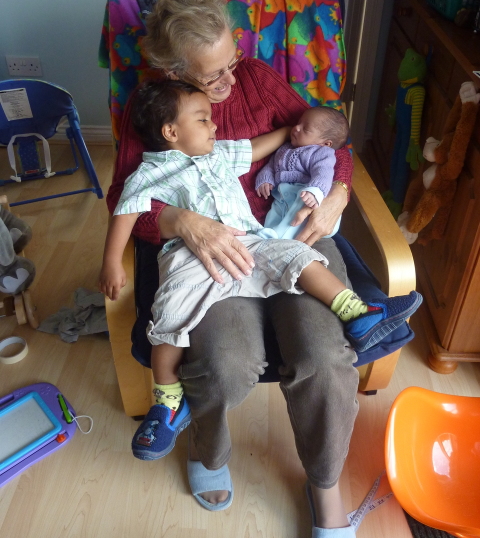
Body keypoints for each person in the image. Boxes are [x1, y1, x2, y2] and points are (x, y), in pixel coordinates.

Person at [105, 0, 385, 537]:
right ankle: (207, 449)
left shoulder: (256, 77)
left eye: (231, 61)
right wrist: (180, 221)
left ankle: (325, 483)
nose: (231, 82)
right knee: (224, 365)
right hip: (210, 254)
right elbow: (127, 197)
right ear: (175, 71)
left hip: (288, 235)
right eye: (213, 77)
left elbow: (329, 137)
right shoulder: (158, 108)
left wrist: (338, 193)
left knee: (324, 358)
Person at [99, 80, 421, 462]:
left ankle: (357, 314)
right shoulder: (146, 173)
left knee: (298, 256)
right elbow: (125, 214)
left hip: (252, 241)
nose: (214, 125)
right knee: (169, 314)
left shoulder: (218, 152)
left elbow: (254, 148)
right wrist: (111, 262)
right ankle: (167, 402)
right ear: (171, 132)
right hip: (191, 257)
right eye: (203, 119)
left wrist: (291, 131)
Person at [255, 105, 350, 240]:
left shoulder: (322, 153)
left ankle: (276, 238)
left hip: (309, 196)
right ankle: (268, 231)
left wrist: (315, 191)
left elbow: (323, 173)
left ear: (326, 143)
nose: (296, 128)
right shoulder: (285, 148)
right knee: (275, 212)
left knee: (298, 208)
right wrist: (265, 178)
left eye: (305, 129)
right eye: (298, 123)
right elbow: (272, 165)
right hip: (283, 196)